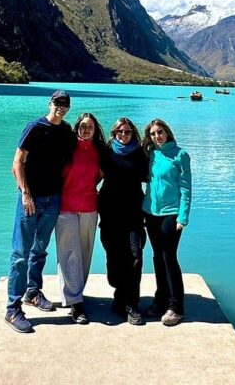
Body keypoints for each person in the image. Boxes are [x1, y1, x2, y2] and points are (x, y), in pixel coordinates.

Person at [5, 90, 75, 333]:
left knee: (40, 249)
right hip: (31, 199)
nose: (61, 107)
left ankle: (33, 292)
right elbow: (17, 162)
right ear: (50, 103)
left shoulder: (66, 130)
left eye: (65, 104)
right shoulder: (34, 127)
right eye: (57, 103)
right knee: (20, 253)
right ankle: (12, 309)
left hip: (53, 198)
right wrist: (25, 193)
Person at [54, 112, 106, 324]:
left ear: (95, 130)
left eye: (90, 127)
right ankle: (75, 302)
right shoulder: (66, 147)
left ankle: (77, 292)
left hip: (89, 207)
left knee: (84, 253)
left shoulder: (99, 151)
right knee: (68, 253)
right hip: (65, 208)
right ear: (77, 128)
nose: (86, 130)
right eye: (83, 126)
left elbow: (101, 175)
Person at [98, 117, 149, 325]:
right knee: (114, 258)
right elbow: (92, 174)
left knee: (135, 257)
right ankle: (120, 297)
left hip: (133, 213)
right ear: (114, 133)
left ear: (133, 133)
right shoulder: (106, 152)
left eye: (127, 132)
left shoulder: (141, 153)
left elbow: (152, 176)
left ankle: (131, 304)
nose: (123, 135)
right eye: (120, 131)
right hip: (110, 212)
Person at [142, 118, 192, 326]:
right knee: (157, 257)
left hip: (171, 214)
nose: (157, 136)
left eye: (160, 132)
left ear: (167, 132)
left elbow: (186, 188)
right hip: (150, 212)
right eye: (153, 134)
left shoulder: (181, 155)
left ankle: (176, 307)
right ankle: (160, 300)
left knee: (169, 257)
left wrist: (183, 216)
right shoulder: (151, 154)